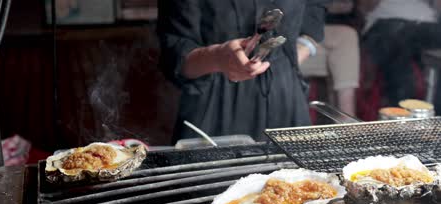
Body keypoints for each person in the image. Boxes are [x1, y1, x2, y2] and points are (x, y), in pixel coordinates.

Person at [157, 1, 329, 143]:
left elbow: (315, 10)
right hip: (214, 102)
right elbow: (175, 53)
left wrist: (292, 56)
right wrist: (217, 57)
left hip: (286, 95)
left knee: (294, 183)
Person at [361, 0, 441, 106]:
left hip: (426, 26)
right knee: (396, 43)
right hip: (386, 24)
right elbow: (364, 7)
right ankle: (400, 111)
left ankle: (402, 109)